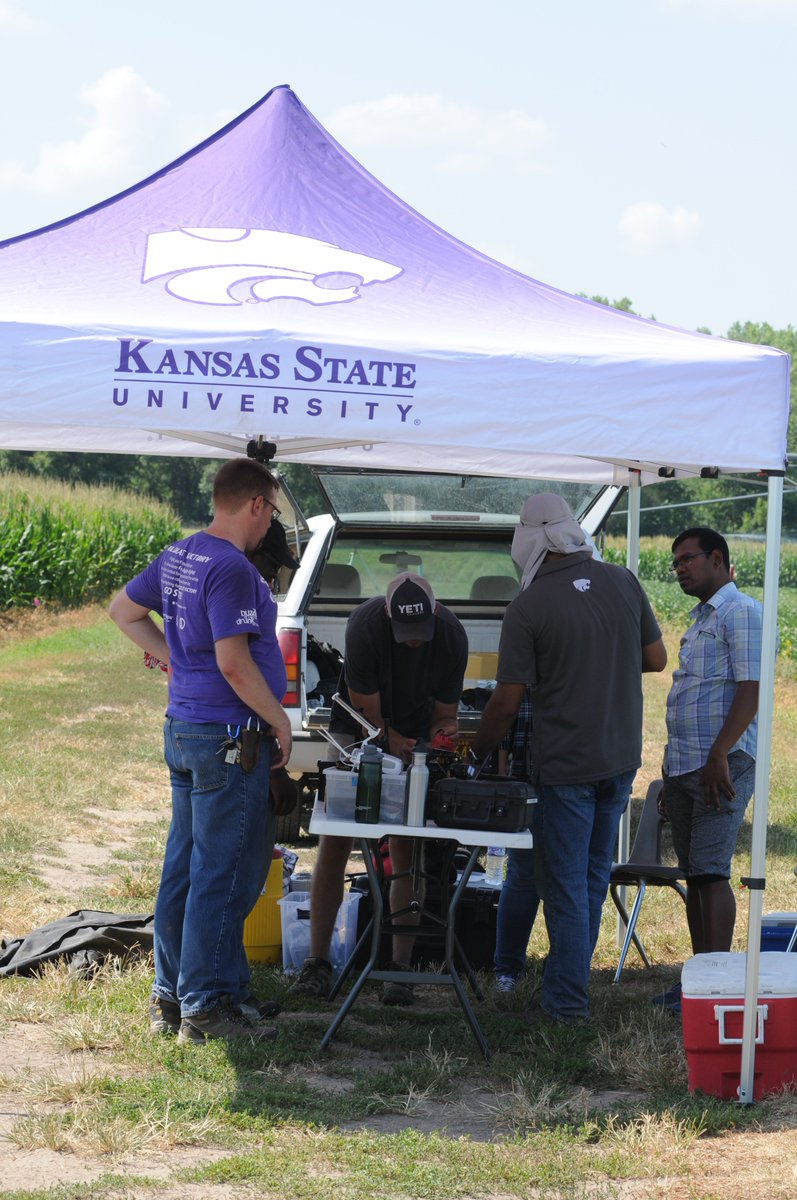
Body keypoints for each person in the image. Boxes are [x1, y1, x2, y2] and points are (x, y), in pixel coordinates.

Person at [109, 457, 292, 1044]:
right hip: (227, 737)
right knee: (222, 870)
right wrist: (279, 719)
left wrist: (173, 658)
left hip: (186, 728)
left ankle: (172, 996)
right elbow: (235, 664)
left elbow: (123, 612)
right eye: (271, 513)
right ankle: (204, 1008)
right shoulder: (233, 568)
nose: (269, 527)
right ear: (256, 505)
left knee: (184, 868)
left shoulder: (181, 553)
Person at [471, 493, 667, 1024]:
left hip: (566, 766)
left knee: (562, 886)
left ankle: (565, 1006)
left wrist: (476, 754)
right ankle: (569, 987)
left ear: (530, 540)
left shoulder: (528, 606)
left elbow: (506, 701)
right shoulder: (624, 580)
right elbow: (656, 657)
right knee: (591, 880)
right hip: (620, 755)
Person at [290, 572, 468, 1005]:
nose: (412, 642)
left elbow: (445, 714)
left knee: (408, 842)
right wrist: (392, 743)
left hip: (415, 730)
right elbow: (368, 716)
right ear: (388, 615)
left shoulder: (451, 636)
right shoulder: (365, 625)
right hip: (359, 725)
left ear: (436, 612)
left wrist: (441, 741)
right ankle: (318, 963)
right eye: (404, 634)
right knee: (336, 835)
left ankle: (399, 970)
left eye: (419, 633)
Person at [654, 528, 762, 1014]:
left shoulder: (742, 613)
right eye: (675, 562)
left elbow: (750, 690)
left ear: (716, 558)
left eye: (686, 559)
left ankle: (716, 986)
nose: (679, 568)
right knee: (695, 874)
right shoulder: (701, 619)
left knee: (713, 871)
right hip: (686, 765)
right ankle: (697, 983)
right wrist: (671, 772)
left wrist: (720, 753)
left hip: (721, 762)